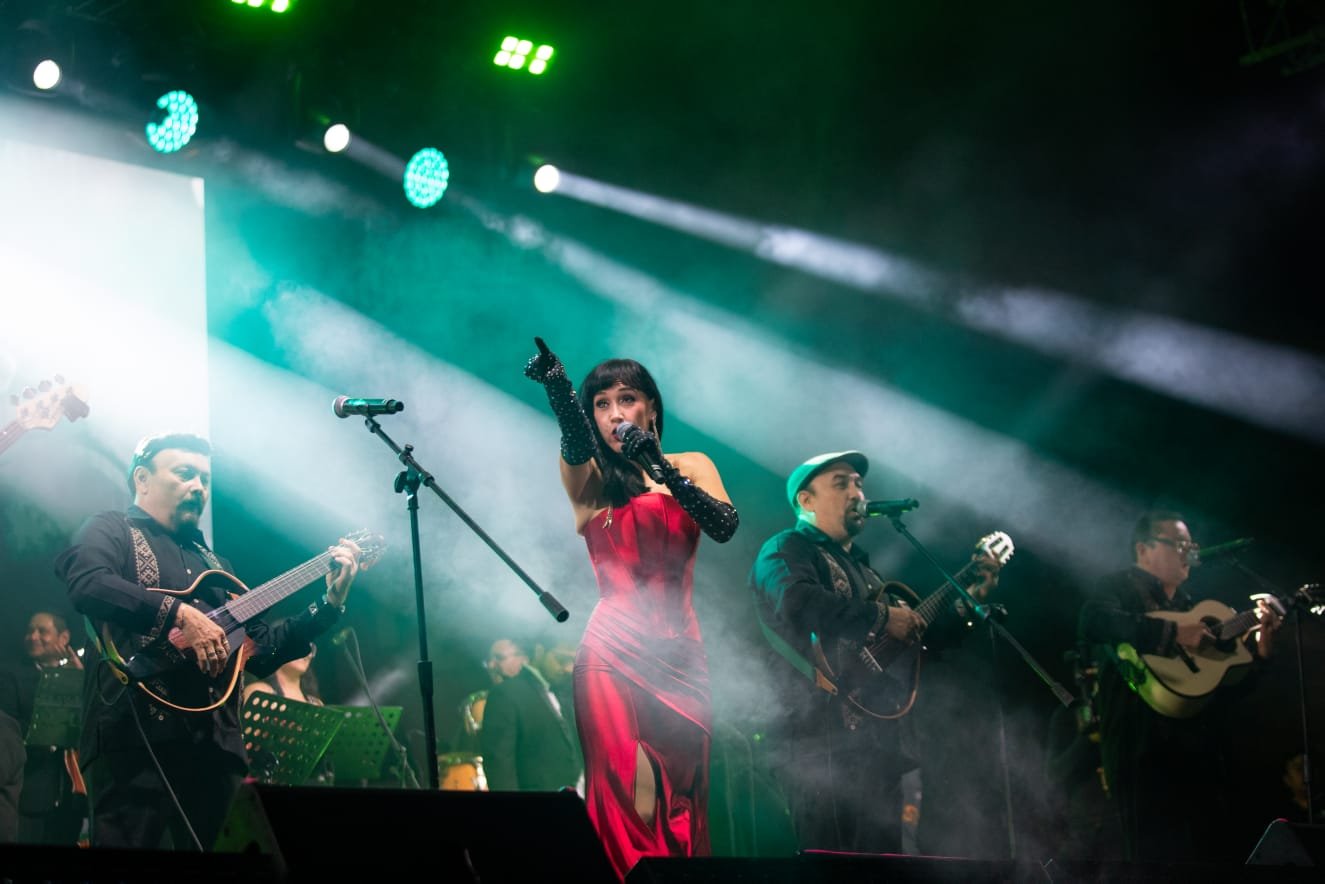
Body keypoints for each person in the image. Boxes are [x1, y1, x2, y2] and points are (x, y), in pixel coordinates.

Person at [54, 432, 362, 850]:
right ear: (142, 479)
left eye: (204, 479)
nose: (198, 487)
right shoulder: (110, 529)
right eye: (185, 474)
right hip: (132, 739)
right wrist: (178, 614)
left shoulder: (218, 566)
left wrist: (330, 603)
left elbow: (262, 649)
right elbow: (88, 585)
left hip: (216, 748)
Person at [524, 342, 738, 880]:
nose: (615, 414)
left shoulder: (691, 466)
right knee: (633, 800)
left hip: (683, 660)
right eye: (601, 404)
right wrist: (559, 390)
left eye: (626, 399)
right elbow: (574, 442)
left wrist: (660, 466)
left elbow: (724, 525)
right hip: (612, 657)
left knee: (683, 806)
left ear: (652, 409)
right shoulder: (589, 481)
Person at [748, 451, 999, 853]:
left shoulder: (868, 574)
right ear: (806, 500)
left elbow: (914, 653)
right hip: (817, 744)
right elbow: (796, 603)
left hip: (878, 749)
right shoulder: (787, 549)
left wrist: (965, 604)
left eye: (858, 484)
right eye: (841, 483)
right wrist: (880, 617)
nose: (856, 491)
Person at [1077, 510, 1282, 862]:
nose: (1189, 552)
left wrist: (1261, 657)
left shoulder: (1194, 607)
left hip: (1199, 754)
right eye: (1180, 544)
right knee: (1153, 859)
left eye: (1191, 545)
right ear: (1144, 548)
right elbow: (1094, 622)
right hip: (1139, 748)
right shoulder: (1117, 588)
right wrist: (1171, 634)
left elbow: (1220, 690)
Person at [0, 611, 87, 845]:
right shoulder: (11, 675)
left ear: (64, 637)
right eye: (30, 631)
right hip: (29, 792)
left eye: (42, 631)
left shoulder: (82, 674)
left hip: (71, 794)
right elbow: (10, 730)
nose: (33, 636)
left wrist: (78, 682)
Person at [479, 638, 582, 793]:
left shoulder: (568, 692)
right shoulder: (506, 694)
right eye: (561, 659)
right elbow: (500, 767)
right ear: (539, 651)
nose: (569, 668)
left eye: (574, 660)